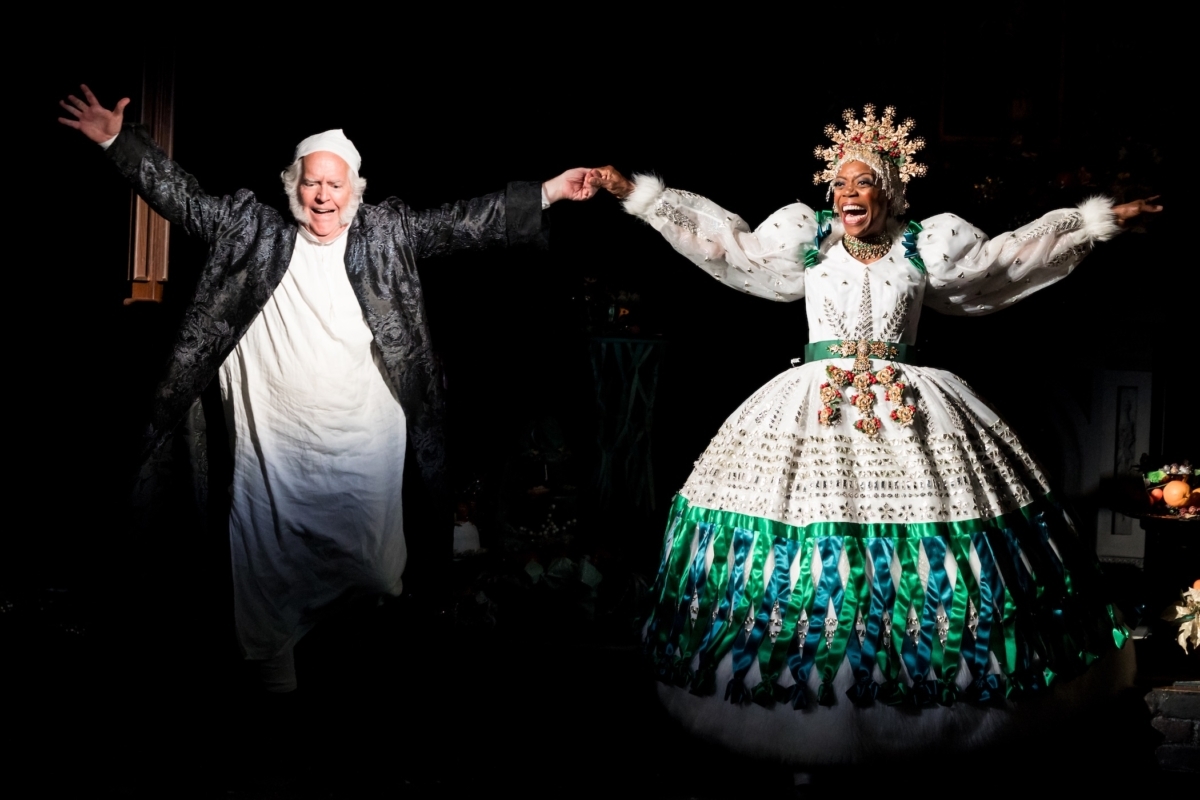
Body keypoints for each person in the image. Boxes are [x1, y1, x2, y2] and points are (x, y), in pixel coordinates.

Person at [587, 105, 1162, 762]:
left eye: (862, 184)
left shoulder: (928, 244)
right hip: (813, 405)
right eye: (840, 183)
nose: (848, 194)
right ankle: (803, 724)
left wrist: (1100, 220)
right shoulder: (806, 239)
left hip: (908, 404)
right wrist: (638, 195)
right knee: (806, 555)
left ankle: (927, 721)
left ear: (886, 190)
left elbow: (1007, 261)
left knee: (932, 558)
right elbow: (726, 243)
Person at [60, 84, 600, 692]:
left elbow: (464, 223)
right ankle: (275, 719)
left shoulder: (386, 234)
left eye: (335, 184)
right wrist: (116, 139)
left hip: (356, 437)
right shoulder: (251, 231)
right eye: (312, 182)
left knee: (370, 572)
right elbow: (183, 199)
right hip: (272, 450)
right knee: (266, 580)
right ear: (294, 186)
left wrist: (550, 191)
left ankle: (348, 681)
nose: (322, 195)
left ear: (354, 191)